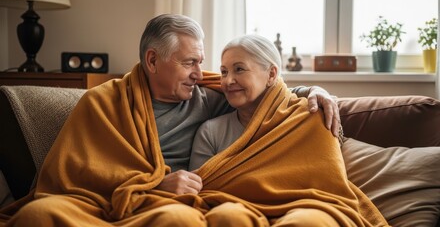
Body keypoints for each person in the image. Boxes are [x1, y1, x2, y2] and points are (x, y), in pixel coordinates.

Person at [1, 14, 341, 226]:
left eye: (201, 62)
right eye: (189, 63)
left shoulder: (210, 99)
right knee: (36, 215)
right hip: (106, 201)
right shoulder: (102, 102)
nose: (202, 74)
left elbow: (263, 96)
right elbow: (73, 175)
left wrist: (314, 89)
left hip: (174, 206)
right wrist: (153, 183)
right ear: (152, 60)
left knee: (177, 219)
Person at [189, 34, 388, 226]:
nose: (228, 80)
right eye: (224, 72)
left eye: (239, 69)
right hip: (235, 209)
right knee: (228, 216)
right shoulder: (210, 132)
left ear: (272, 74)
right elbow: (202, 191)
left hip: (307, 209)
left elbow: (328, 185)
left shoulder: (307, 116)